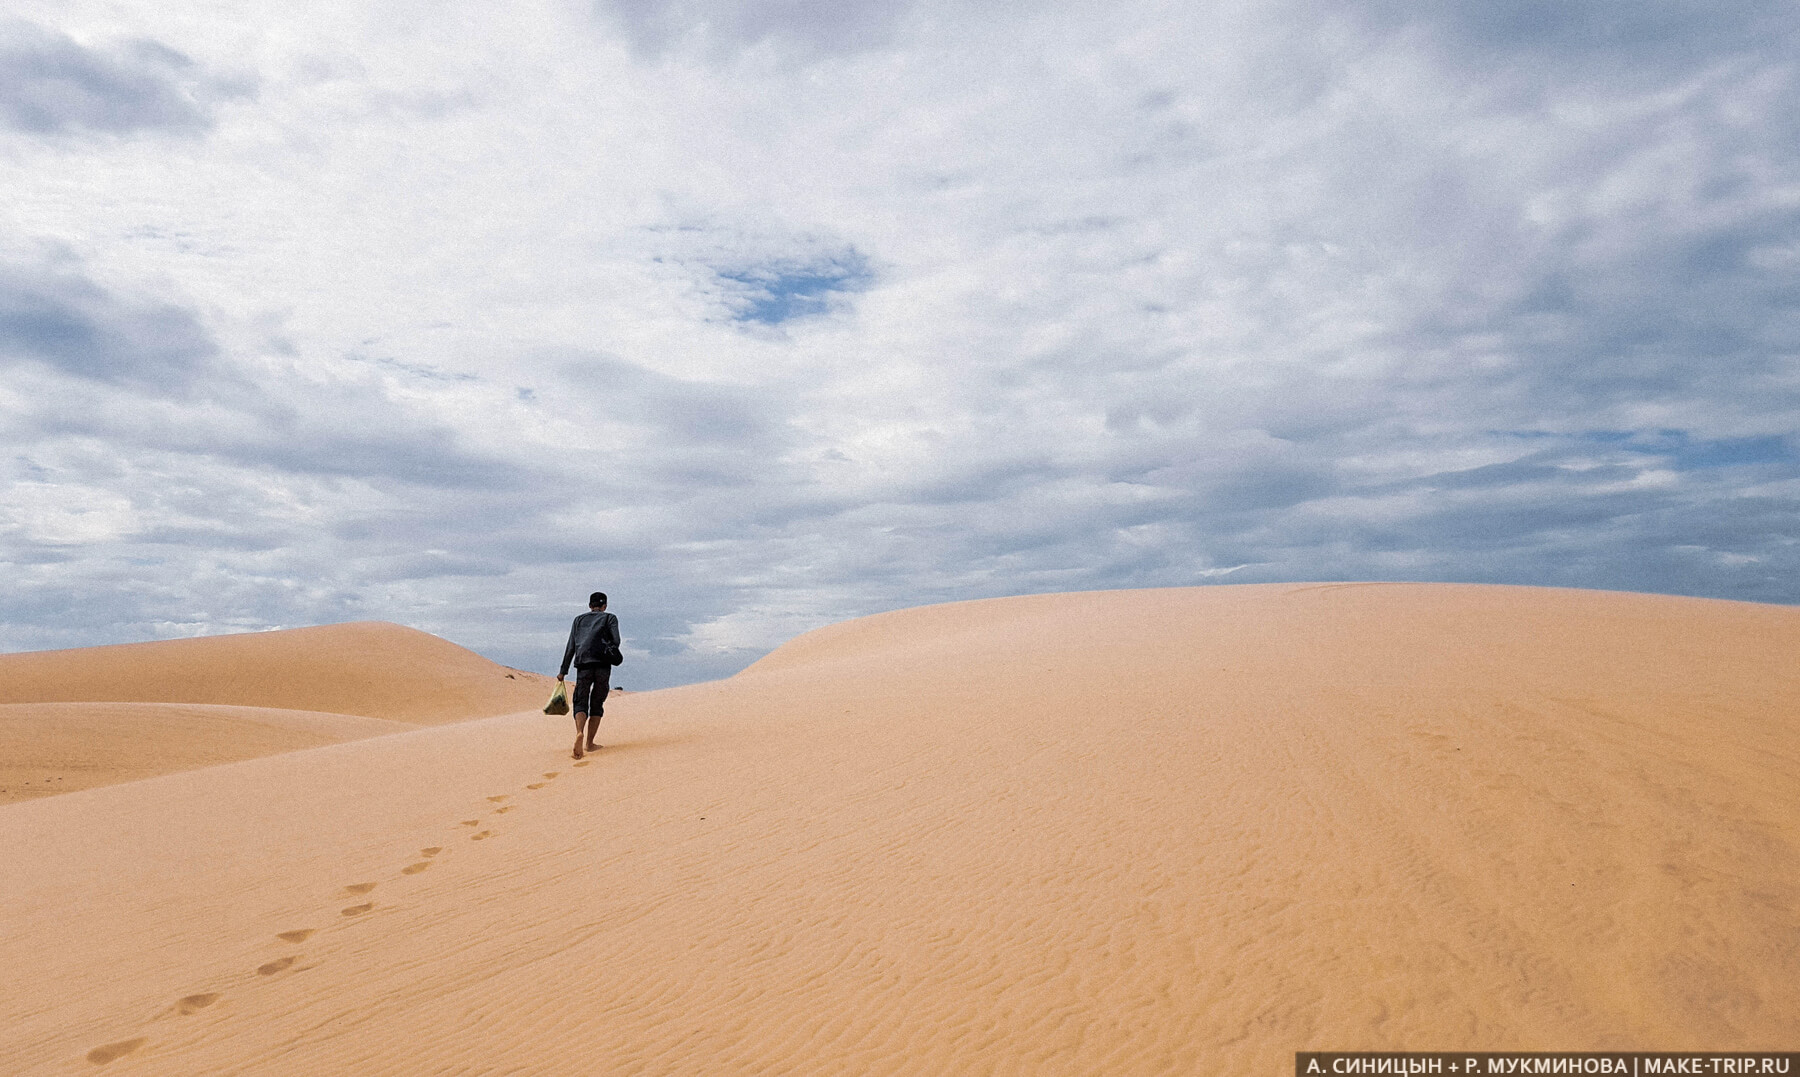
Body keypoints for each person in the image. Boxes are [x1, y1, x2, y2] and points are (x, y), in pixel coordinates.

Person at [557, 591, 620, 759]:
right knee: (597, 702)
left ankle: (579, 732)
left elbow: (571, 646)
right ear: (605, 606)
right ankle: (590, 744)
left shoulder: (578, 620)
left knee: (580, 701)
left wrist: (563, 671)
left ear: (590, 605)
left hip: (583, 665)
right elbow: (616, 641)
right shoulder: (610, 618)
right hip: (602, 666)